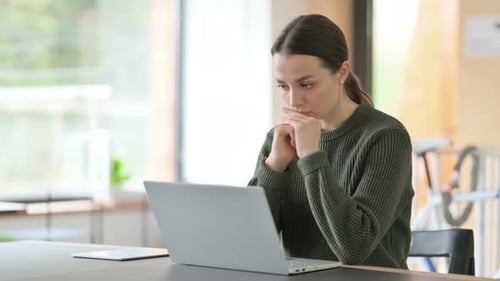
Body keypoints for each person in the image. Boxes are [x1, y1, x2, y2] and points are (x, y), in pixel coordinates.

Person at [248, 14, 414, 269]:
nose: (293, 101)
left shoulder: (385, 137)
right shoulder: (278, 139)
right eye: (283, 86)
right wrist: (274, 167)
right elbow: (249, 242)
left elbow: (353, 248)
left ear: (342, 72)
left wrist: (312, 156)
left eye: (306, 84)